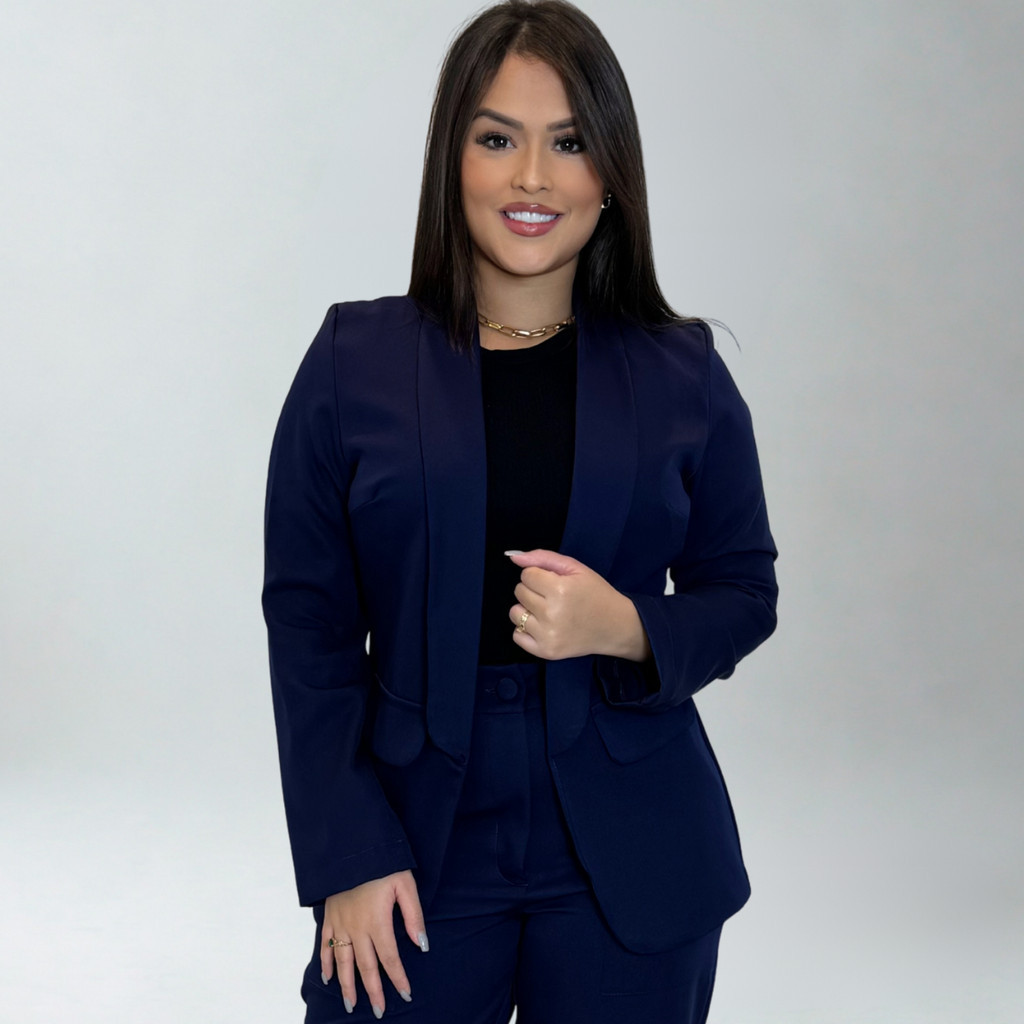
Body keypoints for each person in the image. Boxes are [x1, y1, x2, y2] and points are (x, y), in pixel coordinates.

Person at [262, 2, 778, 1021]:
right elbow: (309, 628)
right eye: (497, 139)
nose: (532, 177)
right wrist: (347, 852)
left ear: (610, 174)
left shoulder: (682, 372)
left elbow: (742, 590)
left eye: (569, 143)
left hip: (632, 844)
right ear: (451, 160)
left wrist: (624, 625)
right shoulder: (352, 363)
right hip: (413, 837)